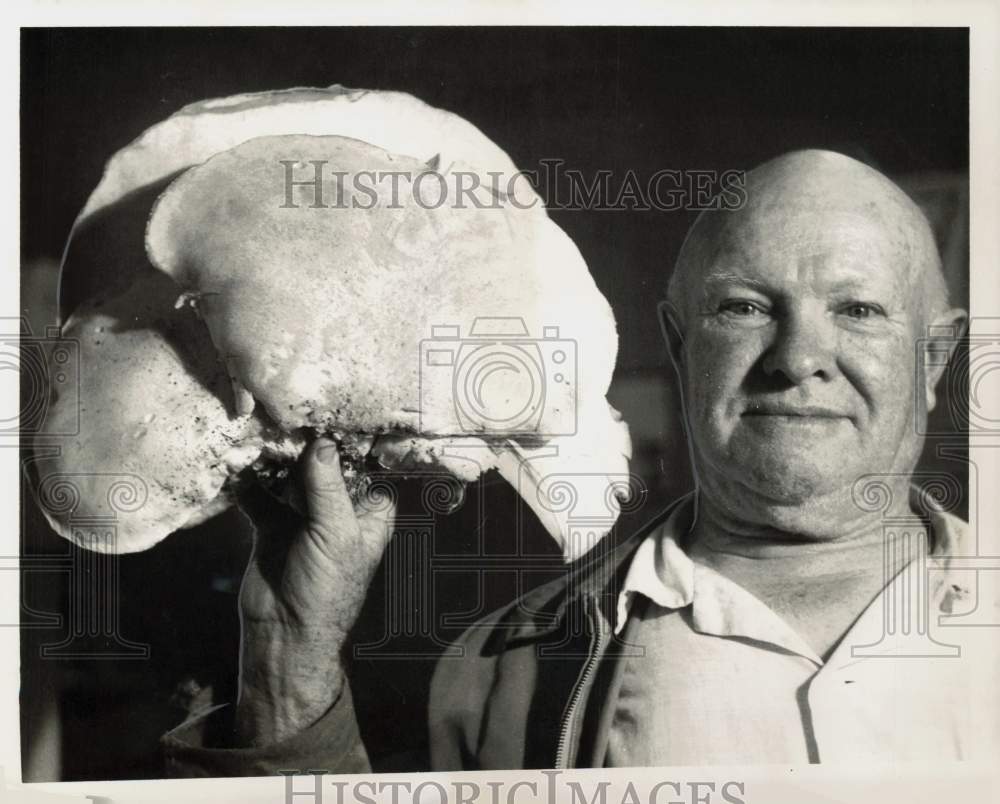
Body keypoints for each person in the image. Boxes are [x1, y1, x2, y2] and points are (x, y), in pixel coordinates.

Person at [162, 149, 992, 775]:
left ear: (935, 357)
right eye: (744, 307)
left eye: (858, 310)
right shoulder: (498, 677)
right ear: (677, 343)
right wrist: (288, 652)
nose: (799, 355)